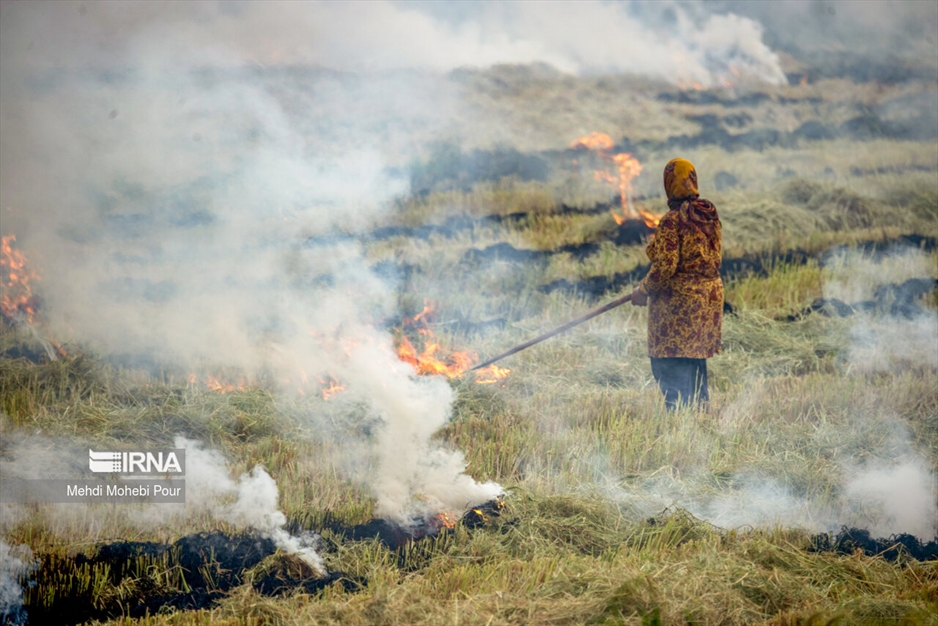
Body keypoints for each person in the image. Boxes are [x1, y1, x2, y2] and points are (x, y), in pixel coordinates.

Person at [630, 158, 723, 410]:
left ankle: (680, 420)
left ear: (669, 183)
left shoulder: (672, 220)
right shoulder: (708, 213)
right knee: (694, 361)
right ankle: (699, 417)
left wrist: (642, 290)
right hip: (708, 301)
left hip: (679, 307)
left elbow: (665, 267)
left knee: (668, 363)